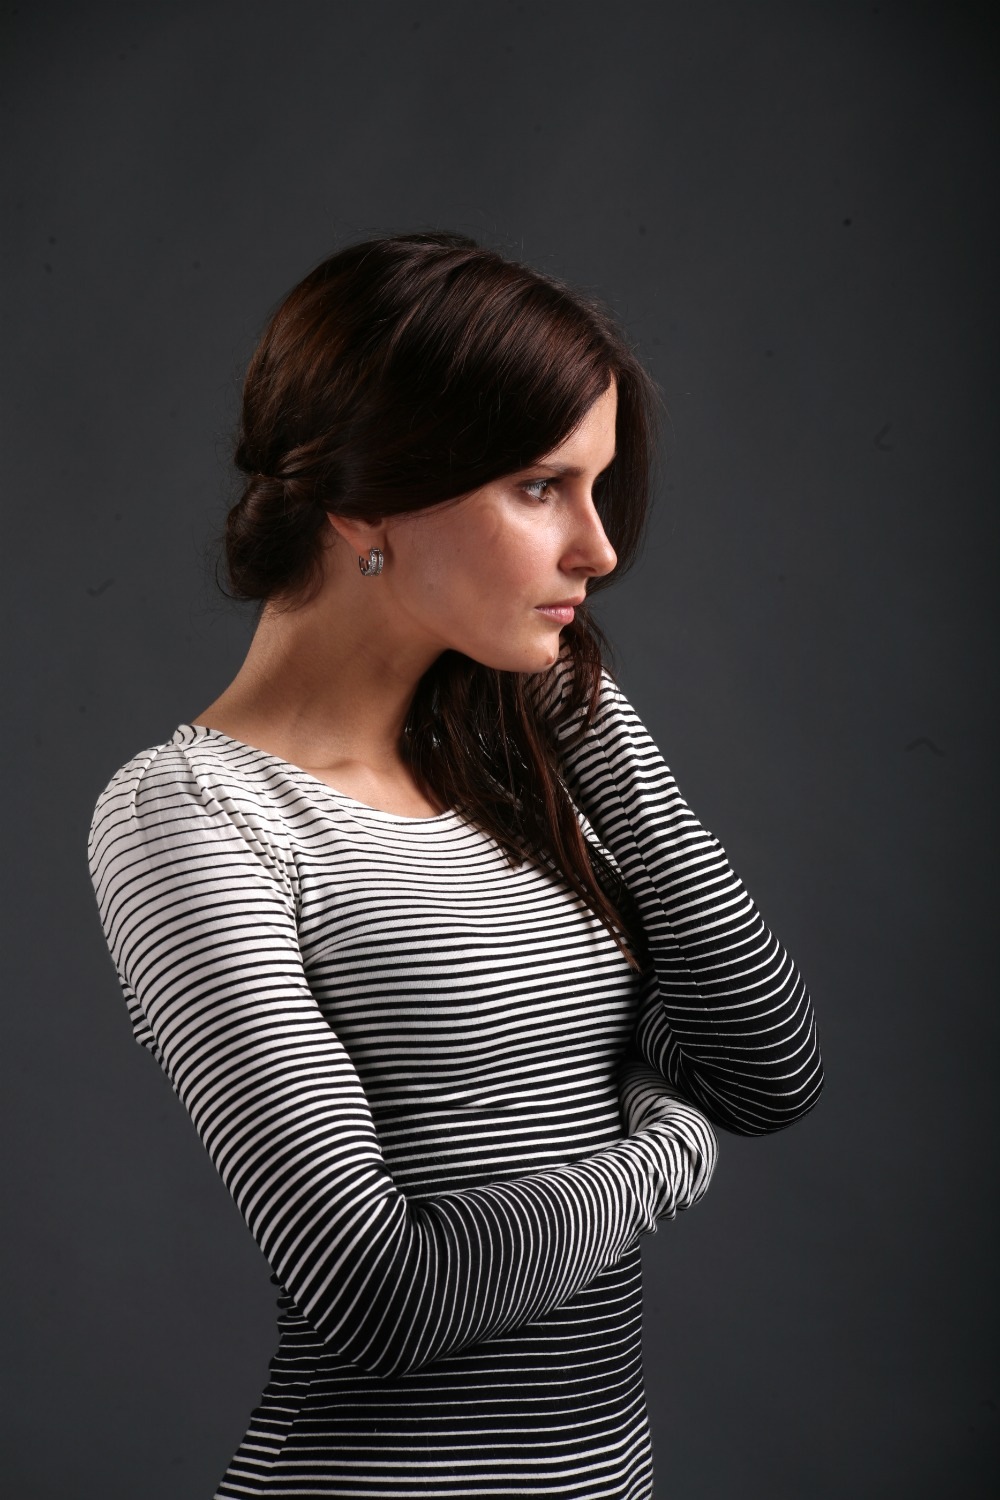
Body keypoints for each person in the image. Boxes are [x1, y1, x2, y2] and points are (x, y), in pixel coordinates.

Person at [87, 231, 823, 1500]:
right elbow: (376, 1297)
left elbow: (765, 1077)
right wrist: (662, 1155)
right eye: (541, 487)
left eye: (596, 488)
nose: (597, 548)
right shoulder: (191, 816)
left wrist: (609, 751)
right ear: (364, 497)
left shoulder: (521, 766)